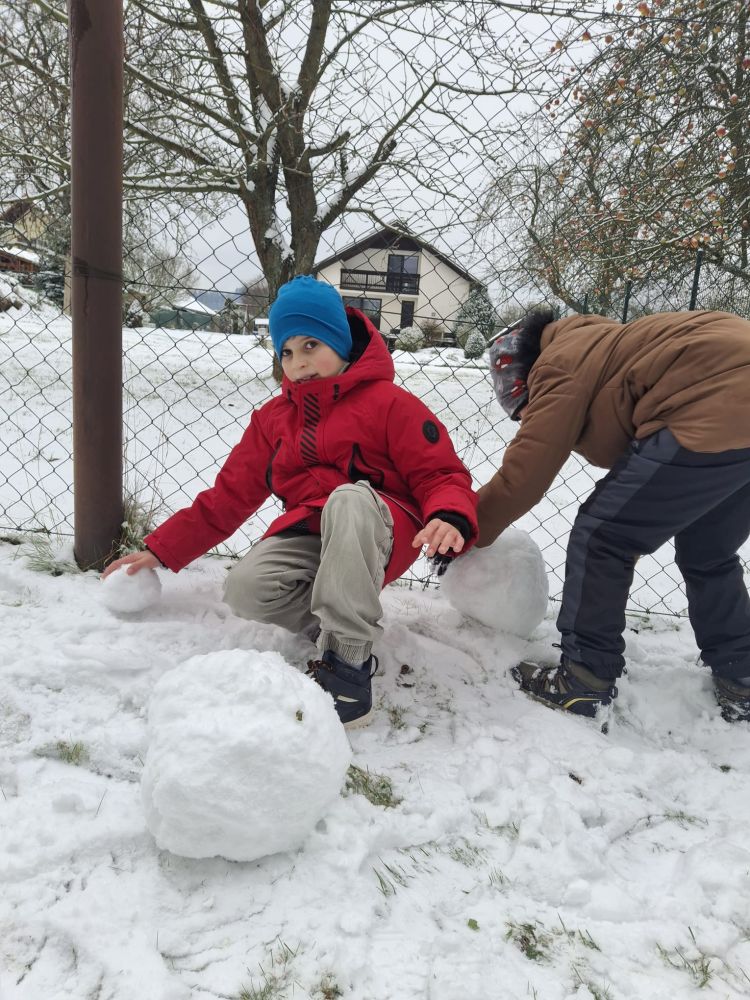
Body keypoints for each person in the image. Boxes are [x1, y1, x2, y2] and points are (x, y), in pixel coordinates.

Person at [103, 275, 478, 726]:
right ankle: (335, 618)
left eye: (311, 345)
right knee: (244, 589)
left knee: (348, 499)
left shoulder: (391, 405)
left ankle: (349, 664)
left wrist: (448, 513)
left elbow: (441, 472)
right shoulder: (274, 420)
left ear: (340, 341)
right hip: (313, 532)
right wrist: (163, 548)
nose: (298, 362)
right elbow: (229, 495)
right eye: (286, 351)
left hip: (379, 531)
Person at [477, 308, 750, 723]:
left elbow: (525, 475)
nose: (526, 417)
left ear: (525, 375)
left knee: (603, 536)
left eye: (524, 409)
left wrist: (465, 528)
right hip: (727, 402)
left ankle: (584, 679)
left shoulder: (558, 364)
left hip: (713, 404)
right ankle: (741, 677)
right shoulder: (599, 344)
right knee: (708, 552)